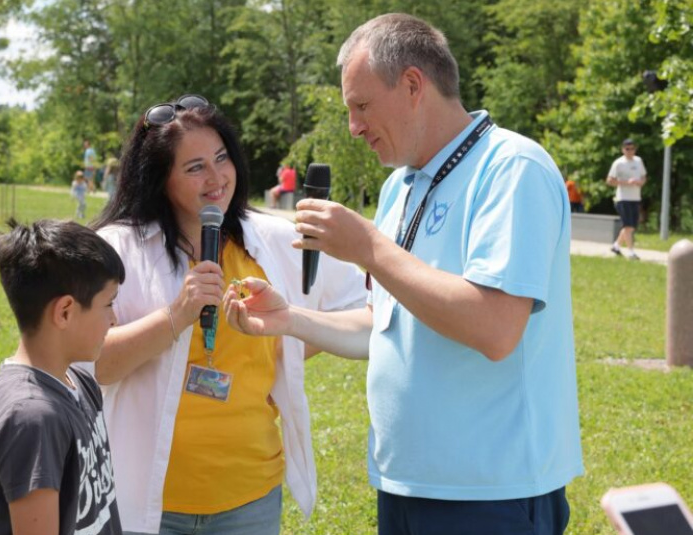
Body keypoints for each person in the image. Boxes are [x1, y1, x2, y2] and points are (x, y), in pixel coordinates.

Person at [224, 13, 583, 535]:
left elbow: (496, 328)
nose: (354, 126)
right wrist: (291, 319)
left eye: (362, 105)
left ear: (414, 84)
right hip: (406, 484)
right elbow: (385, 325)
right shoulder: (401, 186)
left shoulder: (510, 168)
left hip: (492, 492)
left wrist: (368, 246)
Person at [88, 94, 367, 535]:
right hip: (147, 499)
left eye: (222, 158)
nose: (216, 178)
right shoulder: (118, 249)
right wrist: (177, 315)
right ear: (161, 179)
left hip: (250, 495)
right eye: (194, 167)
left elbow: (360, 305)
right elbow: (93, 363)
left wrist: (286, 342)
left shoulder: (273, 239)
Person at [0, 218, 125, 535]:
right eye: (108, 304)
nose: (114, 318)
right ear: (65, 311)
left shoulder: (78, 382)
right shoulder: (32, 418)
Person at [607, 138, 646, 260]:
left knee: (631, 226)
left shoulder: (638, 161)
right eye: (627, 149)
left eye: (632, 148)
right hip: (623, 198)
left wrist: (640, 182)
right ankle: (631, 251)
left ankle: (616, 245)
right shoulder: (618, 163)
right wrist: (626, 182)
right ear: (623, 149)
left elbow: (644, 177)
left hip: (635, 197)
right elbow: (610, 180)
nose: (630, 151)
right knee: (628, 226)